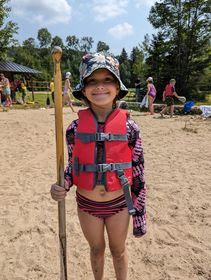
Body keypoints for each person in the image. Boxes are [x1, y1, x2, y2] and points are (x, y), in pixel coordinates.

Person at [50, 52, 146, 280]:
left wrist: (140, 216)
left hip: (119, 204)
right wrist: (62, 185)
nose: (99, 87)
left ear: (117, 87)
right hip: (87, 205)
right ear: (83, 90)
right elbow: (72, 167)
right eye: (92, 81)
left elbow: (139, 174)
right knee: (96, 250)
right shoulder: (74, 129)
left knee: (118, 250)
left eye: (107, 80)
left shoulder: (131, 127)